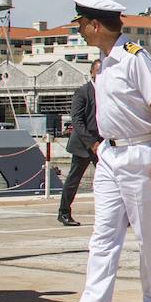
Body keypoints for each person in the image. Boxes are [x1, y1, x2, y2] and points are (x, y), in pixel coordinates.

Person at [58, 0, 151, 302]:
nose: (79, 31)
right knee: (103, 234)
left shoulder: (135, 58)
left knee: (148, 234)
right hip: (109, 155)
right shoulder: (104, 62)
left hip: (139, 152)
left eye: (80, 25)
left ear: (95, 25)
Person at [57, 60, 101, 226]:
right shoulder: (82, 92)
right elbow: (77, 120)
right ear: (91, 73)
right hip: (83, 144)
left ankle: (121, 214)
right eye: (97, 71)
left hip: (101, 143)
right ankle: (64, 212)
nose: (100, 75)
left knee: (113, 179)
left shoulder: (107, 91)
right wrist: (91, 143)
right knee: (73, 180)